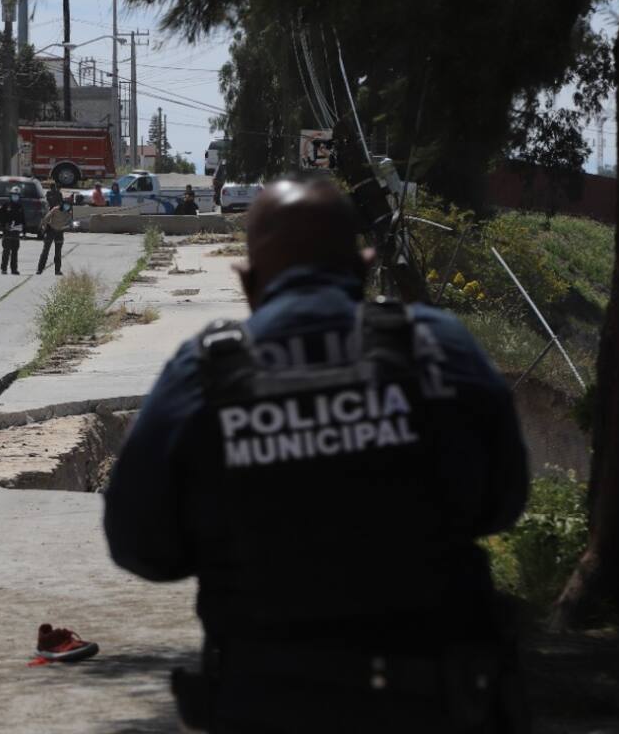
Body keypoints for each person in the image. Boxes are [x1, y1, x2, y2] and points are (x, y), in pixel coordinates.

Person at [105, 176, 529, 734]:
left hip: (263, 704)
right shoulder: (436, 343)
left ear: (249, 282)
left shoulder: (204, 372)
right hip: (435, 703)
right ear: (364, 264)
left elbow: (140, 545)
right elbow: (502, 501)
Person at [38, 194, 70, 276]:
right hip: (51, 231)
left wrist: (68, 225)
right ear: (62, 203)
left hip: (60, 232)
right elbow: (46, 219)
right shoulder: (55, 210)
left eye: (68, 205)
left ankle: (57, 270)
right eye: (66, 204)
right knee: (45, 251)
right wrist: (44, 228)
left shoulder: (68, 212)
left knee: (58, 252)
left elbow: (69, 223)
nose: (67, 206)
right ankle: (40, 270)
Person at [0, 194, 25, 275]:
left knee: (15, 251)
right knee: (6, 250)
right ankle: (4, 268)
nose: (15, 196)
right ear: (11, 196)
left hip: (16, 232)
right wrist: (5, 224)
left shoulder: (20, 206)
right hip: (7, 232)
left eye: (17, 195)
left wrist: (24, 231)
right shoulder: (6, 205)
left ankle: (14, 269)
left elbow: (23, 219)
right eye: (14, 195)